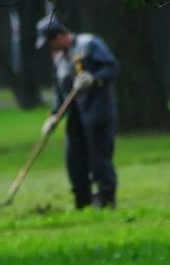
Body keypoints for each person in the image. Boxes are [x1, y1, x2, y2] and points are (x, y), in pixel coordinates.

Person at [36, 15, 119, 209]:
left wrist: (93, 79)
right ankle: (82, 203)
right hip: (76, 117)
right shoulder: (59, 60)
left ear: (58, 36)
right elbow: (61, 93)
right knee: (74, 160)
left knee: (100, 161)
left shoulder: (89, 44)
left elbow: (111, 67)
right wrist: (53, 116)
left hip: (98, 113)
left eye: (50, 43)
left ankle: (106, 201)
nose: (50, 49)